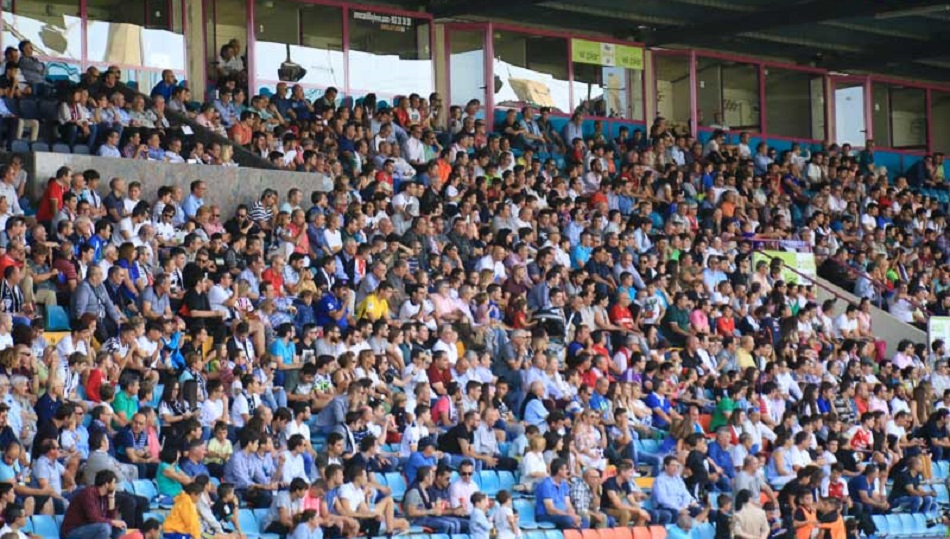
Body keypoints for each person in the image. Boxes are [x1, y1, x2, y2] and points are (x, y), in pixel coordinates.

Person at [61, 470, 127, 539]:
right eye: (113, 483)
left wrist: (111, 498)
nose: (115, 486)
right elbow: (93, 518)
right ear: (106, 484)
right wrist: (113, 522)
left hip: (91, 528)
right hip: (73, 531)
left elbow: (110, 519)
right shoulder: (88, 494)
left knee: (120, 528)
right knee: (104, 528)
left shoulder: (104, 496)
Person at [535, 458, 587, 529]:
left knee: (584, 520)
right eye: (566, 469)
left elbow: (568, 504)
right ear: (559, 471)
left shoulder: (564, 484)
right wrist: (570, 516)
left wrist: (573, 515)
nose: (568, 471)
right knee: (567, 520)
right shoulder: (546, 484)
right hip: (546, 515)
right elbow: (550, 510)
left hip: (563, 514)